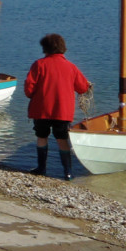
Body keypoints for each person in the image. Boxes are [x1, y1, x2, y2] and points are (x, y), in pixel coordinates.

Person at [24, 33, 91, 180]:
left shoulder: (39, 65)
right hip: (62, 111)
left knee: (42, 137)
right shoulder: (71, 67)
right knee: (62, 140)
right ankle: (67, 172)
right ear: (62, 48)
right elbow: (82, 88)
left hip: (41, 109)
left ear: (45, 48)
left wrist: (32, 95)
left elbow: (29, 88)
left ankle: (41, 168)